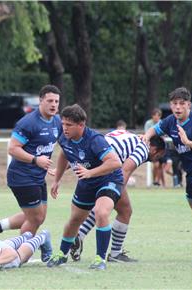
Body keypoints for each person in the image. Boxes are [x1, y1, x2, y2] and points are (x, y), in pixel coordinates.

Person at [46, 104, 123, 270]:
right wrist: (57, 179)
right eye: (63, 124)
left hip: (108, 179)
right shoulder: (63, 136)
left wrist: (90, 172)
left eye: (69, 125)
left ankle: (99, 259)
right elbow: (65, 153)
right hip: (87, 182)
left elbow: (115, 162)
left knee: (101, 213)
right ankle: (61, 254)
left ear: (81, 125)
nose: (64, 128)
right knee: (75, 219)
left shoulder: (95, 140)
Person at [71, 130, 166, 263]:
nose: (157, 159)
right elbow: (125, 170)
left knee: (103, 207)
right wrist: (115, 192)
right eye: (159, 155)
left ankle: (79, 235)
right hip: (106, 167)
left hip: (93, 160)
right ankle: (115, 253)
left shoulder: (129, 136)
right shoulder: (144, 148)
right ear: (154, 148)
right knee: (125, 210)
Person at [0, 85, 62, 243]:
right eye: (50, 101)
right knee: (35, 218)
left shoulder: (57, 122)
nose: (54, 104)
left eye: (57, 101)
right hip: (22, 176)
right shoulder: (28, 123)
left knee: (38, 216)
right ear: (40, 101)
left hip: (38, 176)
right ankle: (19, 251)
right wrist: (36, 160)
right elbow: (12, 149)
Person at [143, 87, 192, 252]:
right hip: (191, 175)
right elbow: (154, 129)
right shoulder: (170, 121)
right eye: (174, 103)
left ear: (188, 105)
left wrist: (188, 142)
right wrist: (146, 137)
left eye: (181, 103)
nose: (178, 107)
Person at [144, 108, 165, 187]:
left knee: (161, 166)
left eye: (158, 116)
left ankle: (157, 182)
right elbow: (147, 134)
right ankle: (154, 181)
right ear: (152, 116)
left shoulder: (162, 123)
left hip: (161, 146)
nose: (156, 117)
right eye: (155, 115)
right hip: (153, 146)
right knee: (156, 164)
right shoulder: (148, 123)